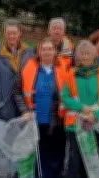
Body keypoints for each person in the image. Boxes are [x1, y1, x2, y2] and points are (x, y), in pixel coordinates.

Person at [0, 18, 35, 178]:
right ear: (4, 34)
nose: (11, 36)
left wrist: (29, 106)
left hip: (21, 109)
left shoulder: (29, 53)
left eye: (14, 32)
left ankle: (13, 173)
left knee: (15, 144)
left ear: (20, 33)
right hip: (1, 109)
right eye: (8, 33)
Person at [14, 38, 66, 178]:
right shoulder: (28, 68)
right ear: (39, 52)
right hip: (33, 121)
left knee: (54, 156)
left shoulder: (63, 69)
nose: (47, 52)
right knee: (35, 157)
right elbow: (17, 91)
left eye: (50, 49)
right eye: (44, 49)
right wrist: (24, 110)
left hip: (57, 121)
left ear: (55, 52)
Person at [62, 40, 99, 178]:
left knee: (93, 161)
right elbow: (65, 97)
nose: (85, 56)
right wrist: (81, 107)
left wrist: (96, 115)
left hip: (96, 124)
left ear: (94, 56)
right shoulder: (70, 73)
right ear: (77, 56)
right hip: (76, 124)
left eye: (88, 53)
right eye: (82, 54)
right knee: (75, 161)